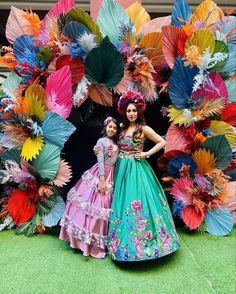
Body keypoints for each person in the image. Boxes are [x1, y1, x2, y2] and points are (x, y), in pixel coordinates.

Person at [107, 90, 180, 261]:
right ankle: (121, 245)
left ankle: (146, 245)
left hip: (138, 168)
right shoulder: (122, 128)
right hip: (121, 169)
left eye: (134, 110)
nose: (131, 113)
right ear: (125, 112)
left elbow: (163, 142)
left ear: (138, 111)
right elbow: (113, 144)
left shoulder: (144, 128)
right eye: (128, 111)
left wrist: (147, 153)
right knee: (121, 200)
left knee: (138, 199)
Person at [59, 117, 119, 258]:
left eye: (115, 128)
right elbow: (100, 160)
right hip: (101, 173)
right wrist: (102, 179)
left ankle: (97, 244)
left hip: (112, 174)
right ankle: (85, 244)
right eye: (110, 127)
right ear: (105, 127)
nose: (112, 129)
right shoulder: (101, 141)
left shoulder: (116, 143)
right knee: (95, 206)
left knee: (104, 208)